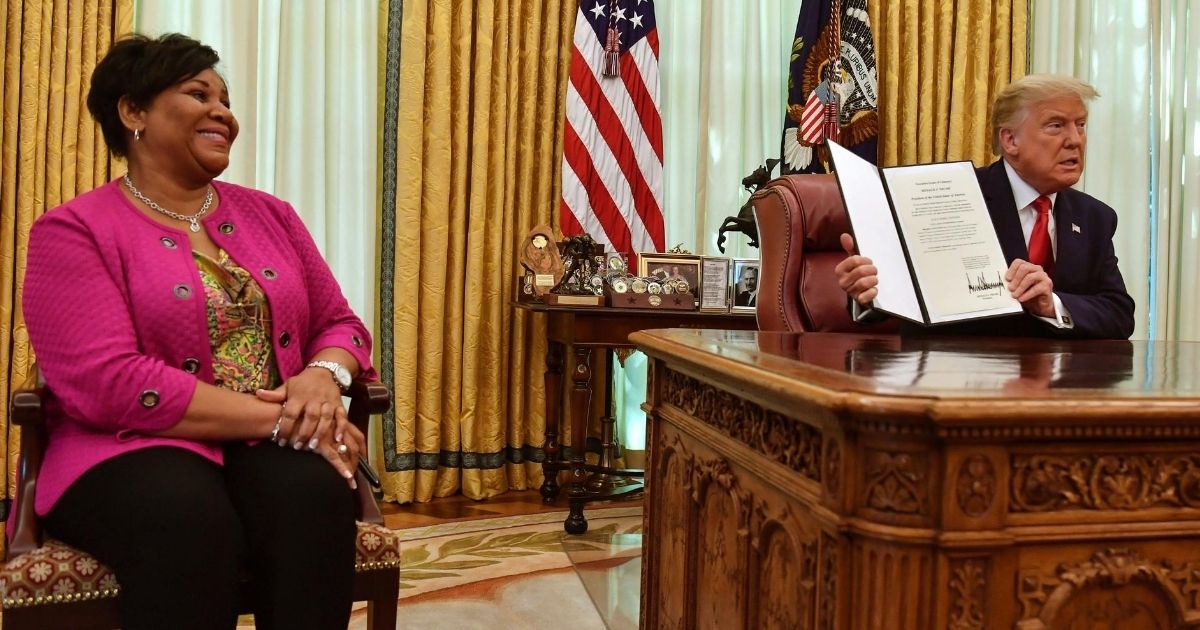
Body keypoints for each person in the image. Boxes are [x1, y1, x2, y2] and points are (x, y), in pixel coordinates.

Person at [20, 34, 374, 629]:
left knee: (311, 498)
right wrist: (289, 418)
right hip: (128, 445)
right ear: (133, 111)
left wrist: (323, 375)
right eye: (197, 93)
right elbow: (107, 382)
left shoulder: (270, 214)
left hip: (265, 445)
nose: (223, 113)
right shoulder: (73, 229)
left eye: (226, 99)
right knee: (183, 515)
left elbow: (339, 323)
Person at [835, 74, 1135, 339]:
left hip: (1056, 388)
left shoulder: (1094, 217)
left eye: (1080, 125)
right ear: (1010, 140)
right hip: (954, 378)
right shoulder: (946, 196)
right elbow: (908, 297)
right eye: (1056, 126)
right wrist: (869, 294)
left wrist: (1051, 304)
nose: (1075, 140)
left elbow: (1119, 315)